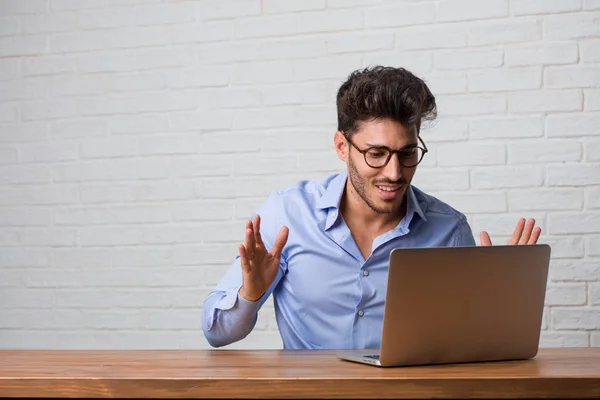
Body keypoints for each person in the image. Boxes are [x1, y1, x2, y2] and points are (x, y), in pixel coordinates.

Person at [201, 66, 542, 350]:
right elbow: (217, 333)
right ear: (341, 146)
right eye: (376, 154)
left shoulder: (449, 231)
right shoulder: (288, 215)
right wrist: (250, 294)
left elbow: (468, 347)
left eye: (407, 153)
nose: (394, 173)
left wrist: (500, 307)